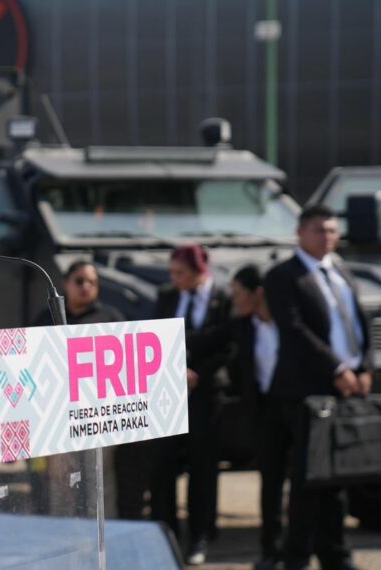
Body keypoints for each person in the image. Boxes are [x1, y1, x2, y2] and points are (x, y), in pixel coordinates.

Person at [265, 204, 369, 570]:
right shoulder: (283, 276)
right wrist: (337, 367)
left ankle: (335, 553)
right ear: (300, 232)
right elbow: (294, 332)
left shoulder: (340, 270)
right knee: (310, 477)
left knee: (337, 478)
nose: (328, 237)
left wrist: (366, 365)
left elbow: (359, 323)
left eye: (332, 230)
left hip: (348, 390)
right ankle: (296, 556)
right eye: (319, 230)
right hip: (306, 392)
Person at [32, 261, 141, 521]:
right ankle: (66, 544)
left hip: (100, 418)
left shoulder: (111, 319)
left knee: (100, 485)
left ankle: (106, 542)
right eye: (79, 281)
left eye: (91, 282)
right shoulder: (46, 318)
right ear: (66, 284)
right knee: (62, 485)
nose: (85, 287)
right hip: (58, 418)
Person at [150, 243, 234, 566]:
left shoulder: (221, 298)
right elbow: (156, 336)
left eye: (180, 273)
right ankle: (165, 533)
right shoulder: (167, 296)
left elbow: (229, 343)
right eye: (171, 273)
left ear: (200, 271)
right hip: (169, 392)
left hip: (206, 392)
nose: (175, 279)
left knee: (203, 466)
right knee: (162, 465)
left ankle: (200, 534)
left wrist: (199, 371)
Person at [228, 265, 286, 570]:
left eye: (239, 294)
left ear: (258, 294)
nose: (234, 300)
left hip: (296, 410)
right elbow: (213, 345)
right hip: (265, 414)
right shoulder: (242, 326)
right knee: (271, 484)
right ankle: (271, 551)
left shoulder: (290, 322)